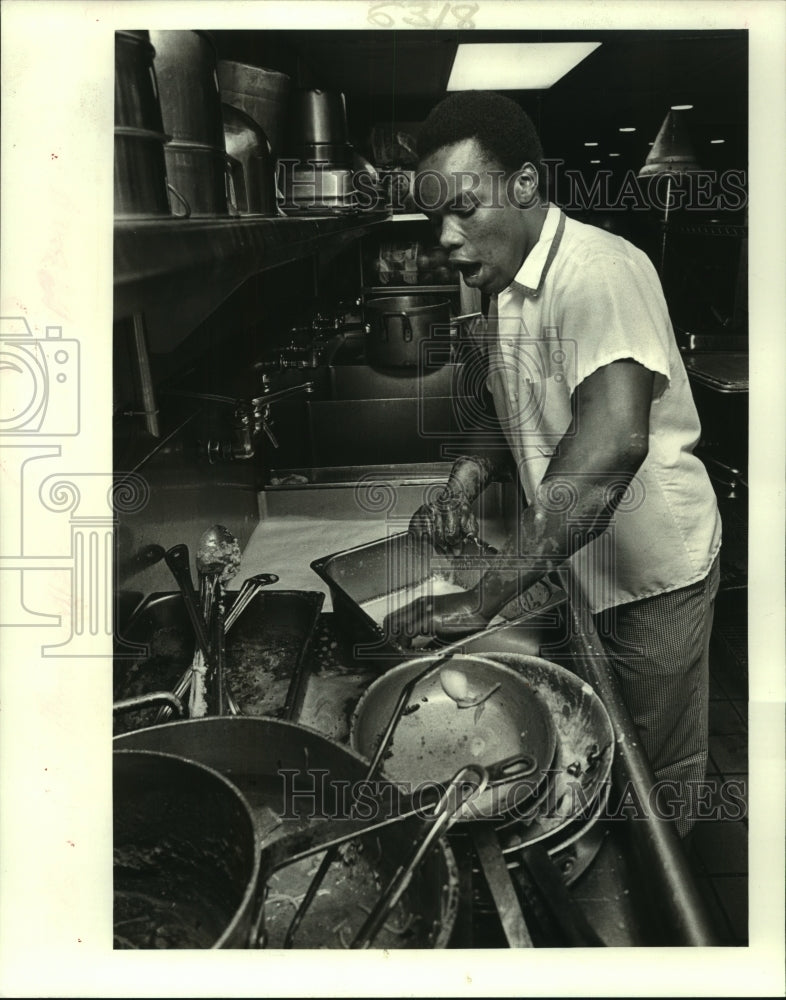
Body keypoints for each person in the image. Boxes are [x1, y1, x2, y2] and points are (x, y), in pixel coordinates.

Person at [383, 91, 722, 838]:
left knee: (650, 776)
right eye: (435, 217)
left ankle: (669, 920)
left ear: (527, 186)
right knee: (595, 748)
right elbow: (507, 409)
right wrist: (462, 486)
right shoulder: (498, 278)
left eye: (466, 209)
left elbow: (608, 448)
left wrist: (485, 597)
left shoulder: (598, 273)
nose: (447, 237)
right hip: (575, 560)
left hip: (649, 577)